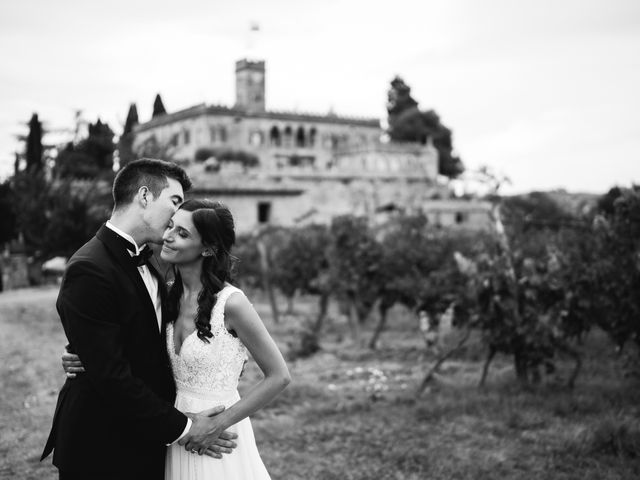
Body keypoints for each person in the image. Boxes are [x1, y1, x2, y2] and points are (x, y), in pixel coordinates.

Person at [63, 198, 291, 479]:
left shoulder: (232, 304)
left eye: (182, 233)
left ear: (208, 248)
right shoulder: (163, 293)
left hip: (217, 434)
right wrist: (87, 355)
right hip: (171, 428)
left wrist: (219, 424)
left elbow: (279, 375)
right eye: (171, 226)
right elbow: (129, 345)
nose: (168, 236)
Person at [42, 159, 239, 480]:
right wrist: (188, 427)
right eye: (174, 202)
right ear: (145, 196)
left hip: (145, 437)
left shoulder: (152, 265)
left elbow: (146, 342)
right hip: (101, 445)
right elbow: (112, 377)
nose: (177, 216)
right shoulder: (90, 267)